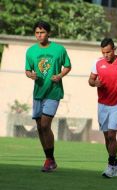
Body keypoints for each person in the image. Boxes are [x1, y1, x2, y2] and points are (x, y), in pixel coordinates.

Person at [25, 20, 72, 172]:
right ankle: (49, 159)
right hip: (38, 93)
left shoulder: (59, 49)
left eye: (42, 32)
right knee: (39, 127)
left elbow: (68, 66)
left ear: (48, 33)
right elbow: (27, 70)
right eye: (37, 33)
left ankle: (50, 159)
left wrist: (59, 76)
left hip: (53, 92)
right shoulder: (31, 51)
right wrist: (30, 75)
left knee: (45, 124)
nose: (39, 35)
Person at [88, 38, 117, 178]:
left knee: (111, 134)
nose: (106, 55)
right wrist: (94, 83)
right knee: (106, 137)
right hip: (102, 103)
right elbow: (90, 80)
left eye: (108, 52)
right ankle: (115, 163)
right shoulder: (97, 63)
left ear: (114, 50)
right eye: (103, 53)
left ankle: (110, 165)